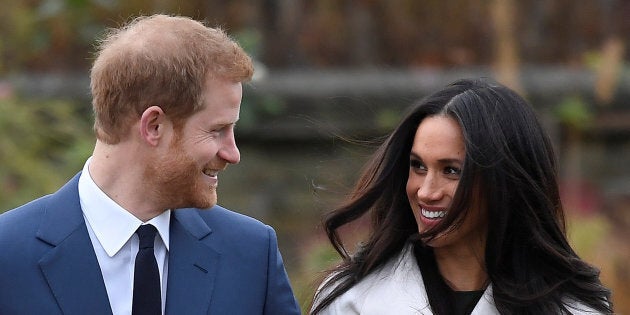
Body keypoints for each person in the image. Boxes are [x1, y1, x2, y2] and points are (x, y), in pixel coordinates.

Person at [0, 14, 300, 315]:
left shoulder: (251, 255)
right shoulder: (7, 255)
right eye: (217, 130)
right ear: (154, 126)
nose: (232, 153)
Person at [311, 78, 613, 314]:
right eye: (418, 166)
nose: (426, 191)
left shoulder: (574, 309)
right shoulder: (351, 302)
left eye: (451, 171)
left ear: (504, 182)